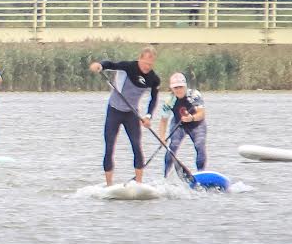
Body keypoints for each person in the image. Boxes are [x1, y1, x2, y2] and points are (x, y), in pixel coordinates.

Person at [89, 47, 161, 187]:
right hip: (114, 111)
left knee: (136, 146)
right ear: (140, 58)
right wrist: (100, 65)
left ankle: (139, 184)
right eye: (145, 63)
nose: (147, 67)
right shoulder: (128, 67)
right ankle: (109, 185)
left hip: (131, 114)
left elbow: (153, 100)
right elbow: (111, 64)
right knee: (109, 147)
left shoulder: (154, 79)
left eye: (150, 65)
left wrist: (148, 116)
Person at [155, 72, 208, 174]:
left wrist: (191, 118)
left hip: (196, 124)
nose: (178, 90)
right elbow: (163, 121)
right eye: (175, 88)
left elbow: (201, 114)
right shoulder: (169, 100)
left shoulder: (194, 95)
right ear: (172, 89)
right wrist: (162, 137)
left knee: (199, 145)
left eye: (181, 87)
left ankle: (201, 173)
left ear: (185, 86)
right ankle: (166, 176)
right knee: (173, 146)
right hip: (178, 124)